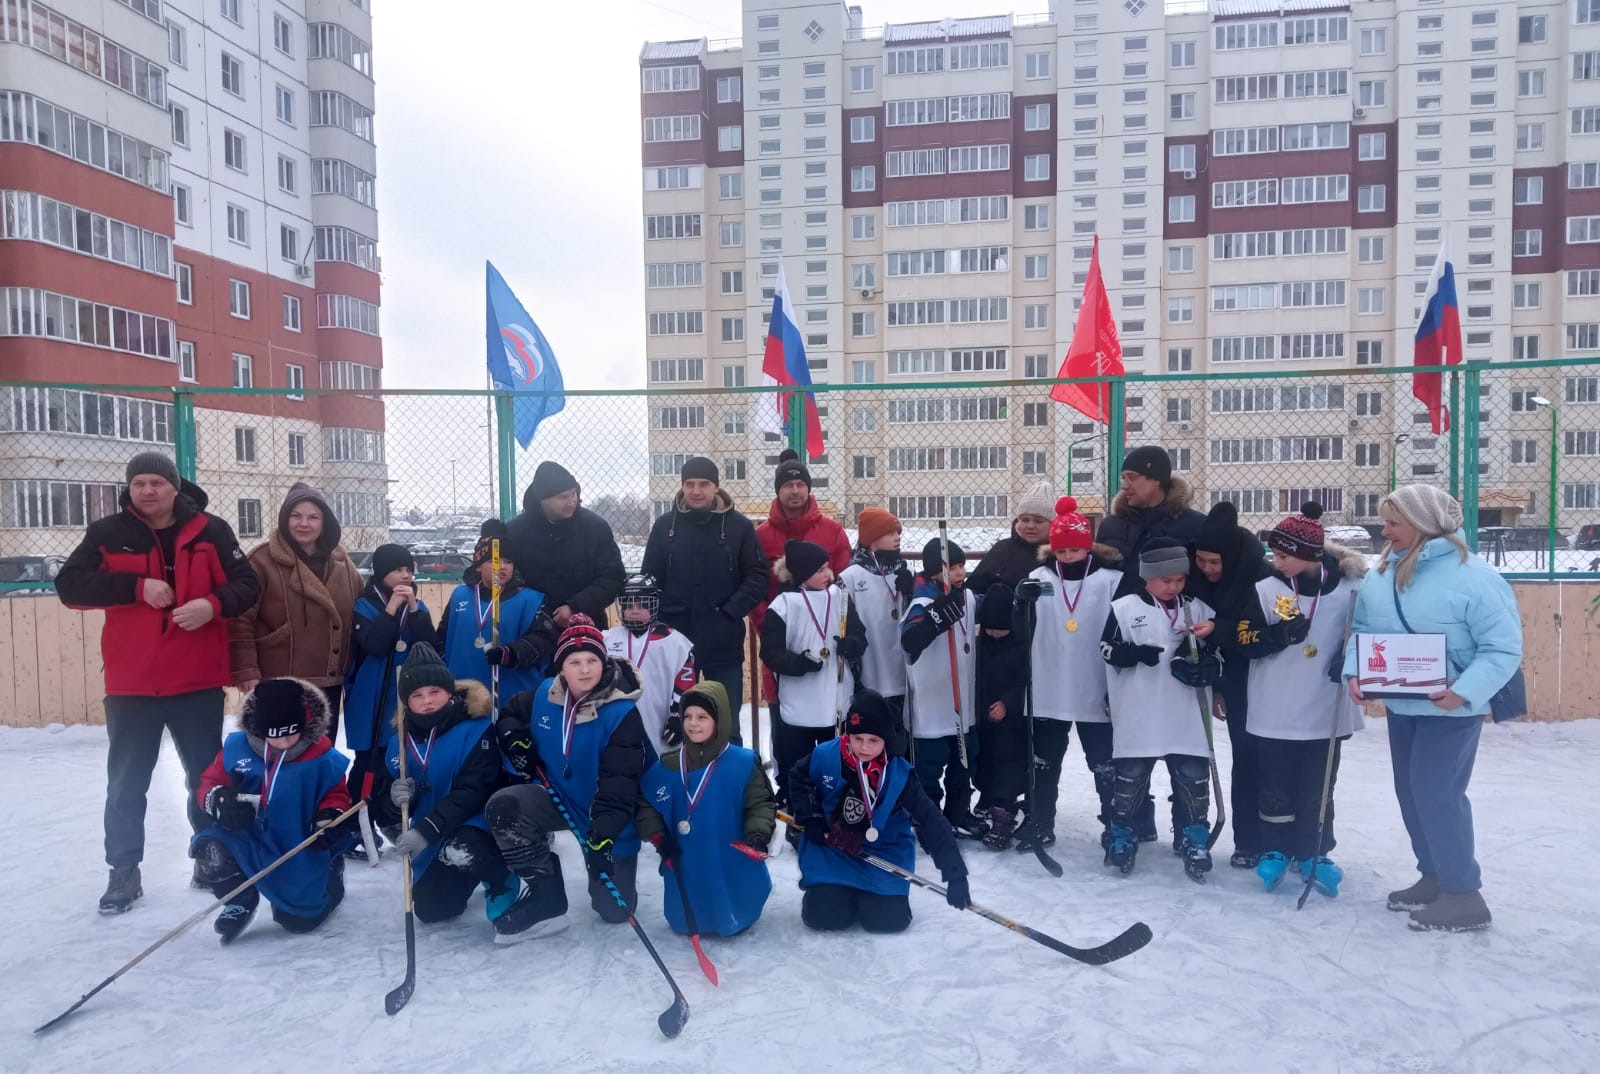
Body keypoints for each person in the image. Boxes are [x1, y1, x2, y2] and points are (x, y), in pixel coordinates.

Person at [56, 451, 261, 913]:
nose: (147, 490)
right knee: (126, 785)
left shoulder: (211, 530)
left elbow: (248, 585)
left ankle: (209, 854)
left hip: (196, 681)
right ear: (130, 489)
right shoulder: (108, 534)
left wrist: (212, 605)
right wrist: (136, 587)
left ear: (174, 486)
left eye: (156, 482)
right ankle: (123, 870)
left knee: (205, 779)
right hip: (132, 686)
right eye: (138, 483)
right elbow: (70, 586)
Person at [1343, 485, 1522, 932]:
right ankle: (1435, 876)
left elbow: (1502, 648)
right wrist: (1356, 672)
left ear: (1423, 523)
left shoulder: (1475, 578)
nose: (1384, 531)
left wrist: (1464, 691)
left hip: (1451, 710)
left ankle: (1463, 895)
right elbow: (1362, 630)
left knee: (1437, 793)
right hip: (1403, 705)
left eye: (1393, 522)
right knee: (1411, 791)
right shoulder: (1381, 575)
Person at [486, 615, 652, 941]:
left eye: (592, 660)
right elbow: (509, 716)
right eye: (575, 662)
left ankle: (615, 867)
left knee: (614, 910)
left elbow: (619, 786)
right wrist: (516, 741)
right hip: (558, 797)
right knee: (504, 807)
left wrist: (602, 839)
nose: (585, 670)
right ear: (561, 667)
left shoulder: (622, 714)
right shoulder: (545, 694)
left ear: (604, 662)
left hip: (608, 814)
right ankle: (545, 895)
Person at [1233, 504, 1365, 897]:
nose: (1277, 562)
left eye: (1284, 556)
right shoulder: (1266, 589)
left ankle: (1314, 851)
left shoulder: (1351, 589)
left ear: (1309, 555)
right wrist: (1277, 636)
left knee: (1317, 788)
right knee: (1275, 787)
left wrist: (1351, 659)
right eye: (1274, 554)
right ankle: (1276, 847)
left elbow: (1368, 632)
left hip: (1325, 708)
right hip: (1275, 708)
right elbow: (1242, 638)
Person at [789, 690, 970, 934]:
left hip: (883, 851)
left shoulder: (898, 773)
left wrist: (954, 872)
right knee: (824, 918)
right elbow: (799, 779)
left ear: (886, 740)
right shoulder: (825, 755)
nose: (864, 747)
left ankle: (870, 895)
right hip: (833, 847)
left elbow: (930, 820)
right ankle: (836, 892)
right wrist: (811, 817)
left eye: (873, 740)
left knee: (888, 922)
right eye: (858, 738)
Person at [190, 678, 355, 943]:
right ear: (259, 728)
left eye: (292, 732)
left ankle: (330, 877)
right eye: (276, 735)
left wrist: (329, 817)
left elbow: (337, 795)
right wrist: (219, 800)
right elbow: (209, 784)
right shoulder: (237, 749)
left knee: (299, 922)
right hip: (250, 836)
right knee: (210, 846)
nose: (285, 742)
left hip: (299, 842)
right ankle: (239, 899)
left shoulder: (321, 756)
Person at [1100, 540, 1222, 880]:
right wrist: (1133, 653)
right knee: (1131, 777)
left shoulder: (1197, 608)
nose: (1174, 586)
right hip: (1139, 707)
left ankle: (1193, 835)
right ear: (1147, 578)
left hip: (1186, 711)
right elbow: (1106, 648)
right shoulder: (1124, 608)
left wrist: (1208, 665)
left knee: (1192, 776)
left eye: (1180, 579)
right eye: (1166, 580)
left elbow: (1217, 649)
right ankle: (1122, 833)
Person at [378, 645, 520, 931]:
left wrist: (424, 831)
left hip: (476, 826)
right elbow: (383, 804)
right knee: (432, 909)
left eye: (435, 692)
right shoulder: (398, 743)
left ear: (450, 691)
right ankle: (464, 872)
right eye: (417, 695)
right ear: (406, 701)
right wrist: (396, 801)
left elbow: (473, 792)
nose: (427, 701)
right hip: (433, 835)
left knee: (464, 845)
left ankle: (501, 876)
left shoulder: (476, 730)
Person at [1012, 497, 1125, 853]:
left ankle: (1116, 826)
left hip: (1096, 684)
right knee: (1043, 762)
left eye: (1075, 549)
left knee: (1104, 763)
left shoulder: (1111, 580)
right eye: (1061, 551)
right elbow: (1021, 630)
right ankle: (1039, 821)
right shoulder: (1038, 578)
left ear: (1087, 546)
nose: (1068, 557)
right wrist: (1019, 602)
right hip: (1050, 685)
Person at [637, 681, 776, 936]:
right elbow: (646, 802)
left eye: (702, 717)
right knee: (687, 907)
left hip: (728, 853)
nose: (693, 724)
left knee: (729, 890)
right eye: (687, 716)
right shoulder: (667, 766)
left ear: (719, 720)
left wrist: (757, 834)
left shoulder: (742, 763)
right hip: (685, 856)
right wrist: (658, 837)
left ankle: (734, 913)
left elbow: (760, 804)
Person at [642, 457, 768, 733]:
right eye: (689, 484)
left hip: (722, 640)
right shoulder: (665, 527)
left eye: (703, 484)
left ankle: (729, 762)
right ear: (682, 486)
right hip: (673, 641)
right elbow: (650, 578)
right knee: (671, 721)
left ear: (716, 487)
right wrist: (660, 619)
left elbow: (757, 576)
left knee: (725, 722)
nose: (696, 491)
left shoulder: (738, 527)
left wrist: (730, 611)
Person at [230, 482, 364, 742]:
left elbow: (363, 603)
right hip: (278, 679)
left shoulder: (342, 562)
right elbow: (241, 619)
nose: (304, 524)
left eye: (313, 517)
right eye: (296, 516)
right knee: (281, 750)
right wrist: (246, 669)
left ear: (325, 522)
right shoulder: (262, 560)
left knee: (321, 750)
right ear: (285, 519)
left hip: (329, 678)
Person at [1188, 501, 1269, 868]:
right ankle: (1248, 841)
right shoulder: (1197, 577)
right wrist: (1218, 686)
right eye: (1201, 560)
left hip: (1265, 676)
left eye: (1214, 562)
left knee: (1267, 759)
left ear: (1231, 557)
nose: (1206, 568)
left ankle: (1279, 840)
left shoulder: (1262, 576)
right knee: (1244, 755)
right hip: (1232, 677)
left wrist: (1220, 630)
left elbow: (1263, 630)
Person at [760, 540, 863, 822]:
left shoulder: (839, 597)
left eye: (828, 567)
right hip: (799, 704)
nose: (829, 574)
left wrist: (852, 645)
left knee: (837, 764)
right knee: (799, 765)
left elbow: (859, 634)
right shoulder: (783, 605)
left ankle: (837, 813)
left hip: (836, 701)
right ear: (803, 574)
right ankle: (801, 815)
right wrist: (798, 663)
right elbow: (770, 652)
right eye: (820, 570)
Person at [753, 448, 853, 738]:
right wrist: (770, 629)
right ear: (777, 490)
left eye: (800, 484)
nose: (795, 491)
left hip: (827, 641)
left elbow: (843, 583)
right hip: (782, 642)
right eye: (788, 485)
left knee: (831, 718)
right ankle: (787, 764)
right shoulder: (761, 536)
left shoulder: (832, 531)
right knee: (785, 719)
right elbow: (756, 589)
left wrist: (841, 631)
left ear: (809, 488)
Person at [342, 544, 440, 828]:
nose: (405, 575)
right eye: (398, 570)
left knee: (398, 758)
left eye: (409, 569)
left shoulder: (418, 607)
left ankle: (391, 818)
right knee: (369, 760)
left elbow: (429, 647)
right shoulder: (364, 606)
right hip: (371, 694)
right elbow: (374, 645)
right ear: (382, 573)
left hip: (404, 692)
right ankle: (356, 821)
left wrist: (413, 609)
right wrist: (391, 609)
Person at [900, 538, 986, 839]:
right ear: (934, 571)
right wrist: (933, 622)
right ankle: (929, 818)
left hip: (962, 702)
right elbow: (908, 641)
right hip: (931, 704)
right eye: (952, 567)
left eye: (962, 565)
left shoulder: (968, 597)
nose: (960, 572)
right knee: (929, 766)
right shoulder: (922, 602)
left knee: (964, 762)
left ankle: (958, 812)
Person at [437, 519, 556, 700]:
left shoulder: (531, 600)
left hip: (513, 695)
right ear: (478, 565)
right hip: (463, 691)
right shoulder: (459, 595)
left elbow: (544, 640)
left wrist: (511, 653)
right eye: (494, 560)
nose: (502, 566)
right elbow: (443, 638)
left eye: (508, 561)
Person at [505, 460, 626, 628]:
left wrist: (576, 606)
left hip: (585, 626)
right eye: (563, 497)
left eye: (573, 494)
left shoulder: (594, 528)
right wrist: (532, 608)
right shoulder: (514, 532)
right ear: (542, 500)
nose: (571, 501)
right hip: (529, 626)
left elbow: (613, 578)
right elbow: (502, 579)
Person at [838, 507, 915, 752]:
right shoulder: (850, 576)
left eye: (898, 532)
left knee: (901, 748)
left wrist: (912, 591)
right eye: (890, 532)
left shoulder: (905, 573)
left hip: (903, 674)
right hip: (870, 674)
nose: (897, 537)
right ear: (871, 539)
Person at [602, 573, 697, 752]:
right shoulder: (607, 639)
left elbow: (686, 682)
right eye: (629, 605)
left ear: (654, 606)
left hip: (660, 722)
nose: (634, 610)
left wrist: (679, 715)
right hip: (618, 723)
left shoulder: (674, 641)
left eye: (642, 605)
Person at [1096, 447, 1207, 588]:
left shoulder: (1195, 525)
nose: (1124, 486)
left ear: (1156, 479)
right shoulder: (1110, 525)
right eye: (1123, 478)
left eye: (1132, 478)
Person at [972, 583, 1029, 850]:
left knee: (1007, 765)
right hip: (981, 717)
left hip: (1011, 723)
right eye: (990, 628)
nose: (994, 634)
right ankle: (987, 797)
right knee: (983, 760)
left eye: (1000, 629)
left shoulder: (1021, 647)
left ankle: (1003, 814)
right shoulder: (978, 646)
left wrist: (1008, 703)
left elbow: (1024, 681)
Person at [966, 480, 1056, 597]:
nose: (1030, 526)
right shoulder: (1003, 548)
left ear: (1052, 524)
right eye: (1025, 520)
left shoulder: (1061, 553)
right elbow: (972, 589)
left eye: (1038, 521)